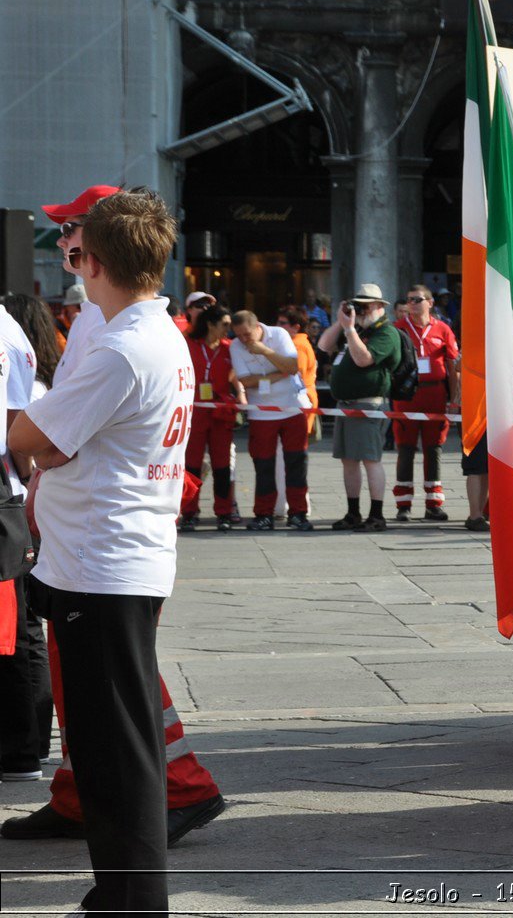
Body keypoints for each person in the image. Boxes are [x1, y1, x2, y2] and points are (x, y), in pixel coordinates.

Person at [3, 184, 225, 852]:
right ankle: (90, 799)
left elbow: (51, 434)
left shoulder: (118, 330)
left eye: (72, 231)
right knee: (100, 694)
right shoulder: (124, 323)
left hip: (106, 552)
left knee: (116, 698)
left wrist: (30, 431)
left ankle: (158, 803)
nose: (64, 244)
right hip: (105, 546)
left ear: (96, 250)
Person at [0, 295, 51, 784]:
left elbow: (19, 430)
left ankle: (22, 751)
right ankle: (24, 747)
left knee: (13, 631)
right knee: (18, 630)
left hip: (7, 495)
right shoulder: (11, 330)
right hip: (12, 493)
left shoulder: (7, 331)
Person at [317, 284, 402, 531]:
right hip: (346, 406)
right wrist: (341, 322)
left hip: (368, 405)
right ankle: (353, 512)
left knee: (370, 460)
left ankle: (376, 515)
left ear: (379, 307)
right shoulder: (355, 330)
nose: (361, 310)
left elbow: (364, 359)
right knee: (349, 461)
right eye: (358, 305)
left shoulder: (386, 333)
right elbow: (323, 345)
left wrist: (351, 329)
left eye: (365, 306)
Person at [230, 310, 312, 531]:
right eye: (238, 335)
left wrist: (264, 351)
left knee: (297, 463)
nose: (244, 340)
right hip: (261, 412)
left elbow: (293, 367)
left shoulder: (279, 335)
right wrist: (279, 373)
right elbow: (246, 381)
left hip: (292, 407)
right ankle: (263, 513)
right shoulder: (236, 346)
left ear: (258, 327)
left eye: (247, 334)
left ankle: (298, 512)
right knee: (263, 464)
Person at [392, 285, 460, 522]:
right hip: (407, 396)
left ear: (430, 302)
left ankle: (433, 503)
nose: (411, 304)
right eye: (409, 300)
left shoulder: (443, 329)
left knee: (434, 449)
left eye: (417, 300)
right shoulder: (398, 329)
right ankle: (403, 504)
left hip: (435, 394)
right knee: (405, 449)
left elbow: (452, 366)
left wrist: (455, 398)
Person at [179, 304, 244, 531]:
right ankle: (188, 511)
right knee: (191, 465)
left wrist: (241, 393)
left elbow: (241, 374)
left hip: (220, 413)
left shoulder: (230, 348)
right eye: (225, 324)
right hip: (195, 412)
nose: (229, 329)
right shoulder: (189, 345)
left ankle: (224, 512)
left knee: (222, 465)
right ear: (210, 324)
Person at [273, 307, 321, 519]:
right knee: (289, 457)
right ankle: (287, 503)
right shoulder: (297, 343)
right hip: (296, 402)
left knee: (291, 457)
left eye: (283, 323)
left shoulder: (298, 345)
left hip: (297, 403)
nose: (278, 326)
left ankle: (293, 504)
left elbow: (291, 373)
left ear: (295, 326)